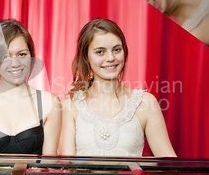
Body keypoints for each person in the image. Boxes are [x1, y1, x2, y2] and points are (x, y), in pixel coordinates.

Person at [60, 19, 176, 157]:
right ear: (86, 57)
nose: (110, 58)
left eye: (116, 50)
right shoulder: (70, 103)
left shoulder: (146, 102)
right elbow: (66, 166)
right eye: (100, 52)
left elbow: (168, 163)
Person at [0, 19, 61, 155]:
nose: (15, 63)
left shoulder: (49, 102)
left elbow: (49, 166)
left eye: (22, 54)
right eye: (6, 56)